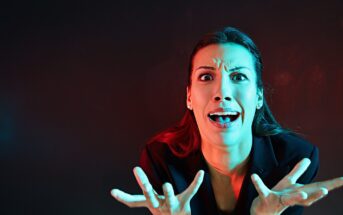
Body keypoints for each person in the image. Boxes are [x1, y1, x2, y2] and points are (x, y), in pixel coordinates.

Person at [110, 27, 343, 215]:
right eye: (206, 77)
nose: (222, 92)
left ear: (259, 96)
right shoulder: (160, 159)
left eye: (238, 76)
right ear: (189, 97)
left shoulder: (294, 160)